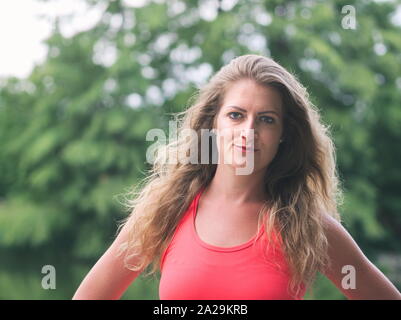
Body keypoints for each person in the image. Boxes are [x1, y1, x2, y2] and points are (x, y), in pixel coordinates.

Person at [72, 54, 401, 300]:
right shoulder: (164, 211)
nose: (249, 132)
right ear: (213, 122)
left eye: (267, 119)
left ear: (285, 133)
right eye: (236, 115)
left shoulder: (308, 224)